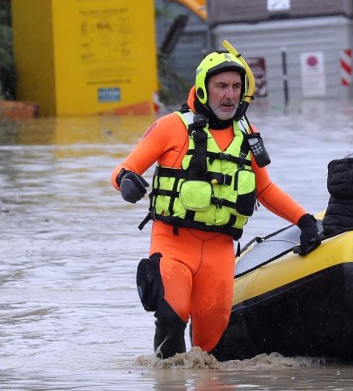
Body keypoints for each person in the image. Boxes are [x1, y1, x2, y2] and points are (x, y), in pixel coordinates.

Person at [111, 49, 319, 359]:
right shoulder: (171, 126)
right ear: (204, 88)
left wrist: (304, 220)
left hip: (220, 252)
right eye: (222, 86)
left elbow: (266, 189)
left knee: (208, 347)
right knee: (172, 315)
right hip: (173, 243)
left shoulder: (247, 135)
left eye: (236, 87)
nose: (229, 95)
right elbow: (122, 171)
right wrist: (128, 183)